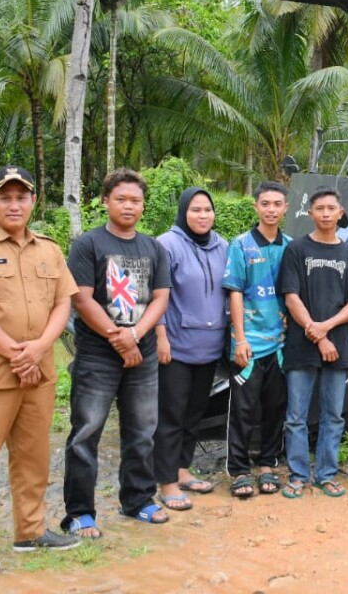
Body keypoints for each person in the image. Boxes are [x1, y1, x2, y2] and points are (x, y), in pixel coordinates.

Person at [0, 166, 81, 576]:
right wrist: (16, 354)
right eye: (5, 197)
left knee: (33, 458)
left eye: (21, 196)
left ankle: (30, 530)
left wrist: (39, 349)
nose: (14, 204)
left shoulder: (50, 250)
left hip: (38, 377)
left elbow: (63, 304)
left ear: (33, 202)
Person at [61, 168, 171, 537]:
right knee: (87, 430)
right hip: (97, 356)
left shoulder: (154, 247)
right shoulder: (87, 244)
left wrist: (136, 335)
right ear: (106, 201)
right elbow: (81, 297)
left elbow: (161, 298)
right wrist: (117, 337)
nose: (128, 206)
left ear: (143, 205)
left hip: (144, 354)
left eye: (135, 200)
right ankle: (79, 512)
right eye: (121, 199)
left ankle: (138, 500)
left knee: (142, 430)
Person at [279, 187, 348, 499]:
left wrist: (325, 330)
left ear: (340, 212)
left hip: (336, 347)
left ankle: (326, 475)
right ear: (310, 213)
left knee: (334, 415)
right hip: (301, 347)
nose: (326, 213)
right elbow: (291, 296)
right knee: (296, 416)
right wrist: (316, 333)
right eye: (320, 208)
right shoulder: (297, 250)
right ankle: (298, 475)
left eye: (331, 208)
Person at [152, 187, 228, 511]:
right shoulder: (166, 245)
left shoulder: (223, 246)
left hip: (209, 347)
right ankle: (166, 482)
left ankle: (182, 470)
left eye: (207, 210)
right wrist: (160, 336)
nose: (202, 215)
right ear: (184, 211)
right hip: (176, 346)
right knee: (171, 414)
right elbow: (157, 294)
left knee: (194, 413)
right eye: (195, 209)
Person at [223, 182, 292, 499]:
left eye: (277, 204)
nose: (271, 209)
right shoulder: (240, 245)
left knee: (275, 407)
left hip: (279, 345)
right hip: (248, 344)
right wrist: (239, 340)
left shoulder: (291, 246)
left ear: (285, 208)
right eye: (265, 203)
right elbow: (235, 292)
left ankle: (267, 464)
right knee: (243, 410)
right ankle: (238, 470)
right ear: (256, 207)